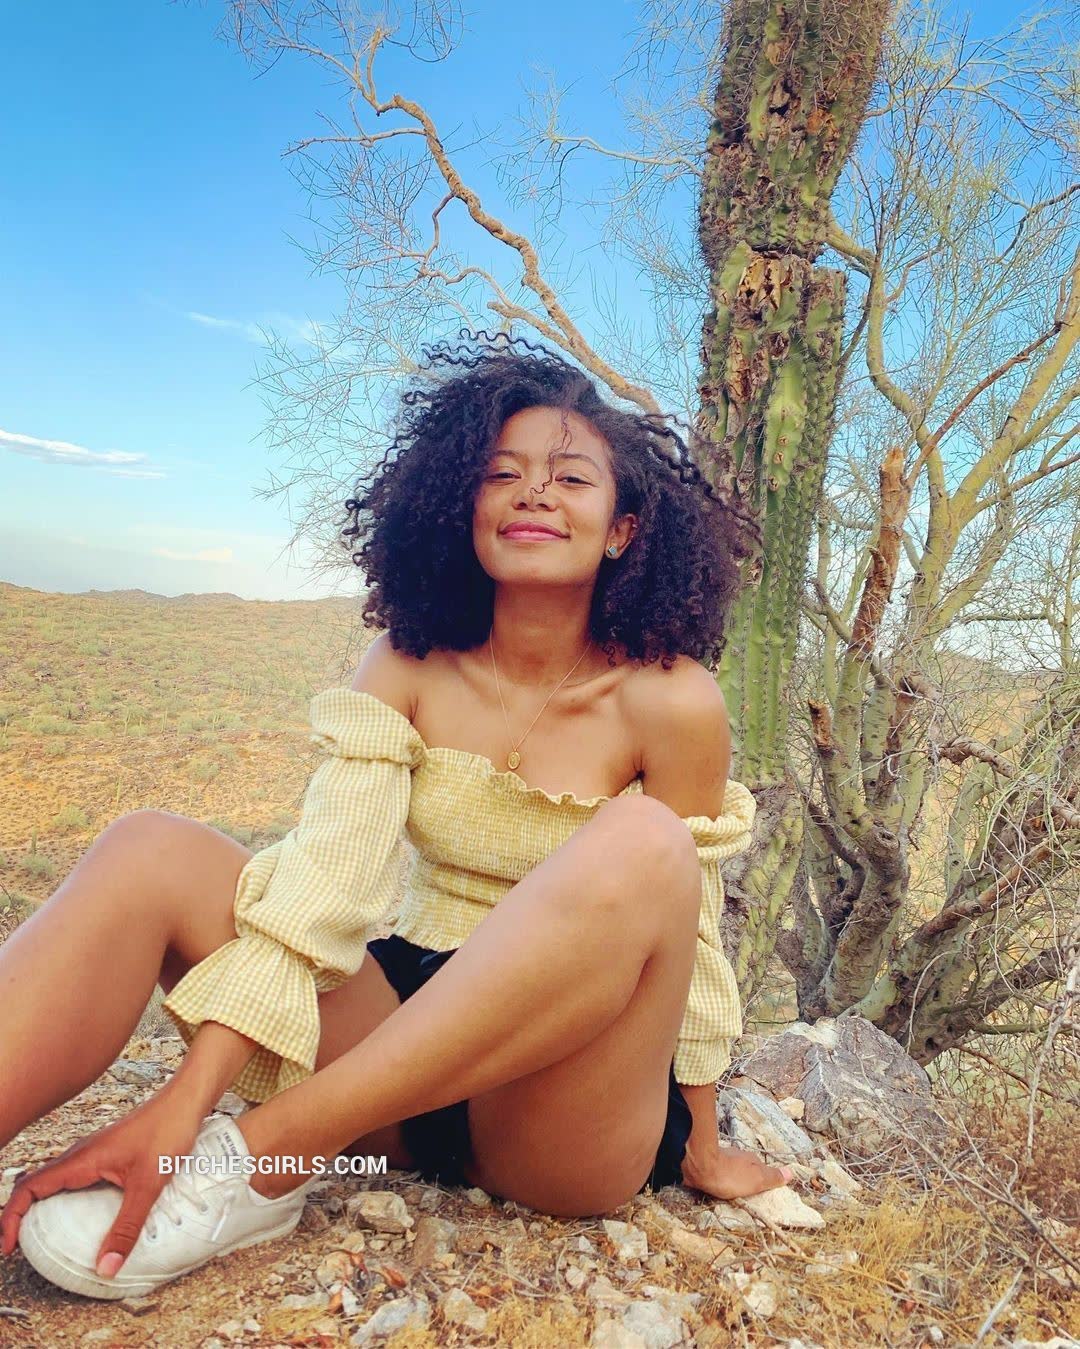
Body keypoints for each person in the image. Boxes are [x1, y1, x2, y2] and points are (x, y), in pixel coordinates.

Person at [0, 333, 789, 1302]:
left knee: (646, 842)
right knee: (149, 847)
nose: (534, 494)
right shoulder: (409, 663)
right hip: (394, 1064)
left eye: (571, 478)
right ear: (461, 507)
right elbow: (322, 882)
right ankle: (237, 1144)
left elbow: (690, 937)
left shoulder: (672, 701)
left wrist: (701, 1142)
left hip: (556, 1109)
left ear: (623, 528)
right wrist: (184, 1097)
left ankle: (261, 1156)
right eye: (502, 473)